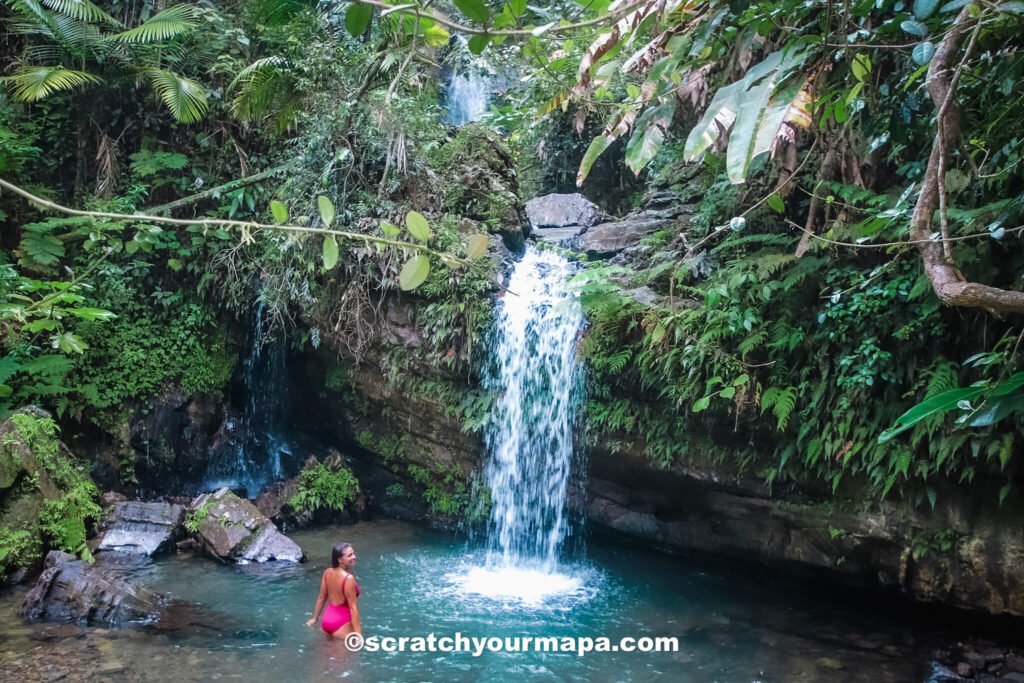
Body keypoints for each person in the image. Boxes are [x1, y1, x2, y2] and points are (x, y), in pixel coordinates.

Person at [306, 542, 361, 638]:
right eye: (350, 555)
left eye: (353, 553)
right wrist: (358, 634)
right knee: (351, 647)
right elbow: (353, 608)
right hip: (342, 622)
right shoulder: (348, 578)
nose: (354, 557)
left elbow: (321, 597)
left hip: (327, 620)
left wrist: (315, 618)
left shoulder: (327, 572)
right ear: (340, 560)